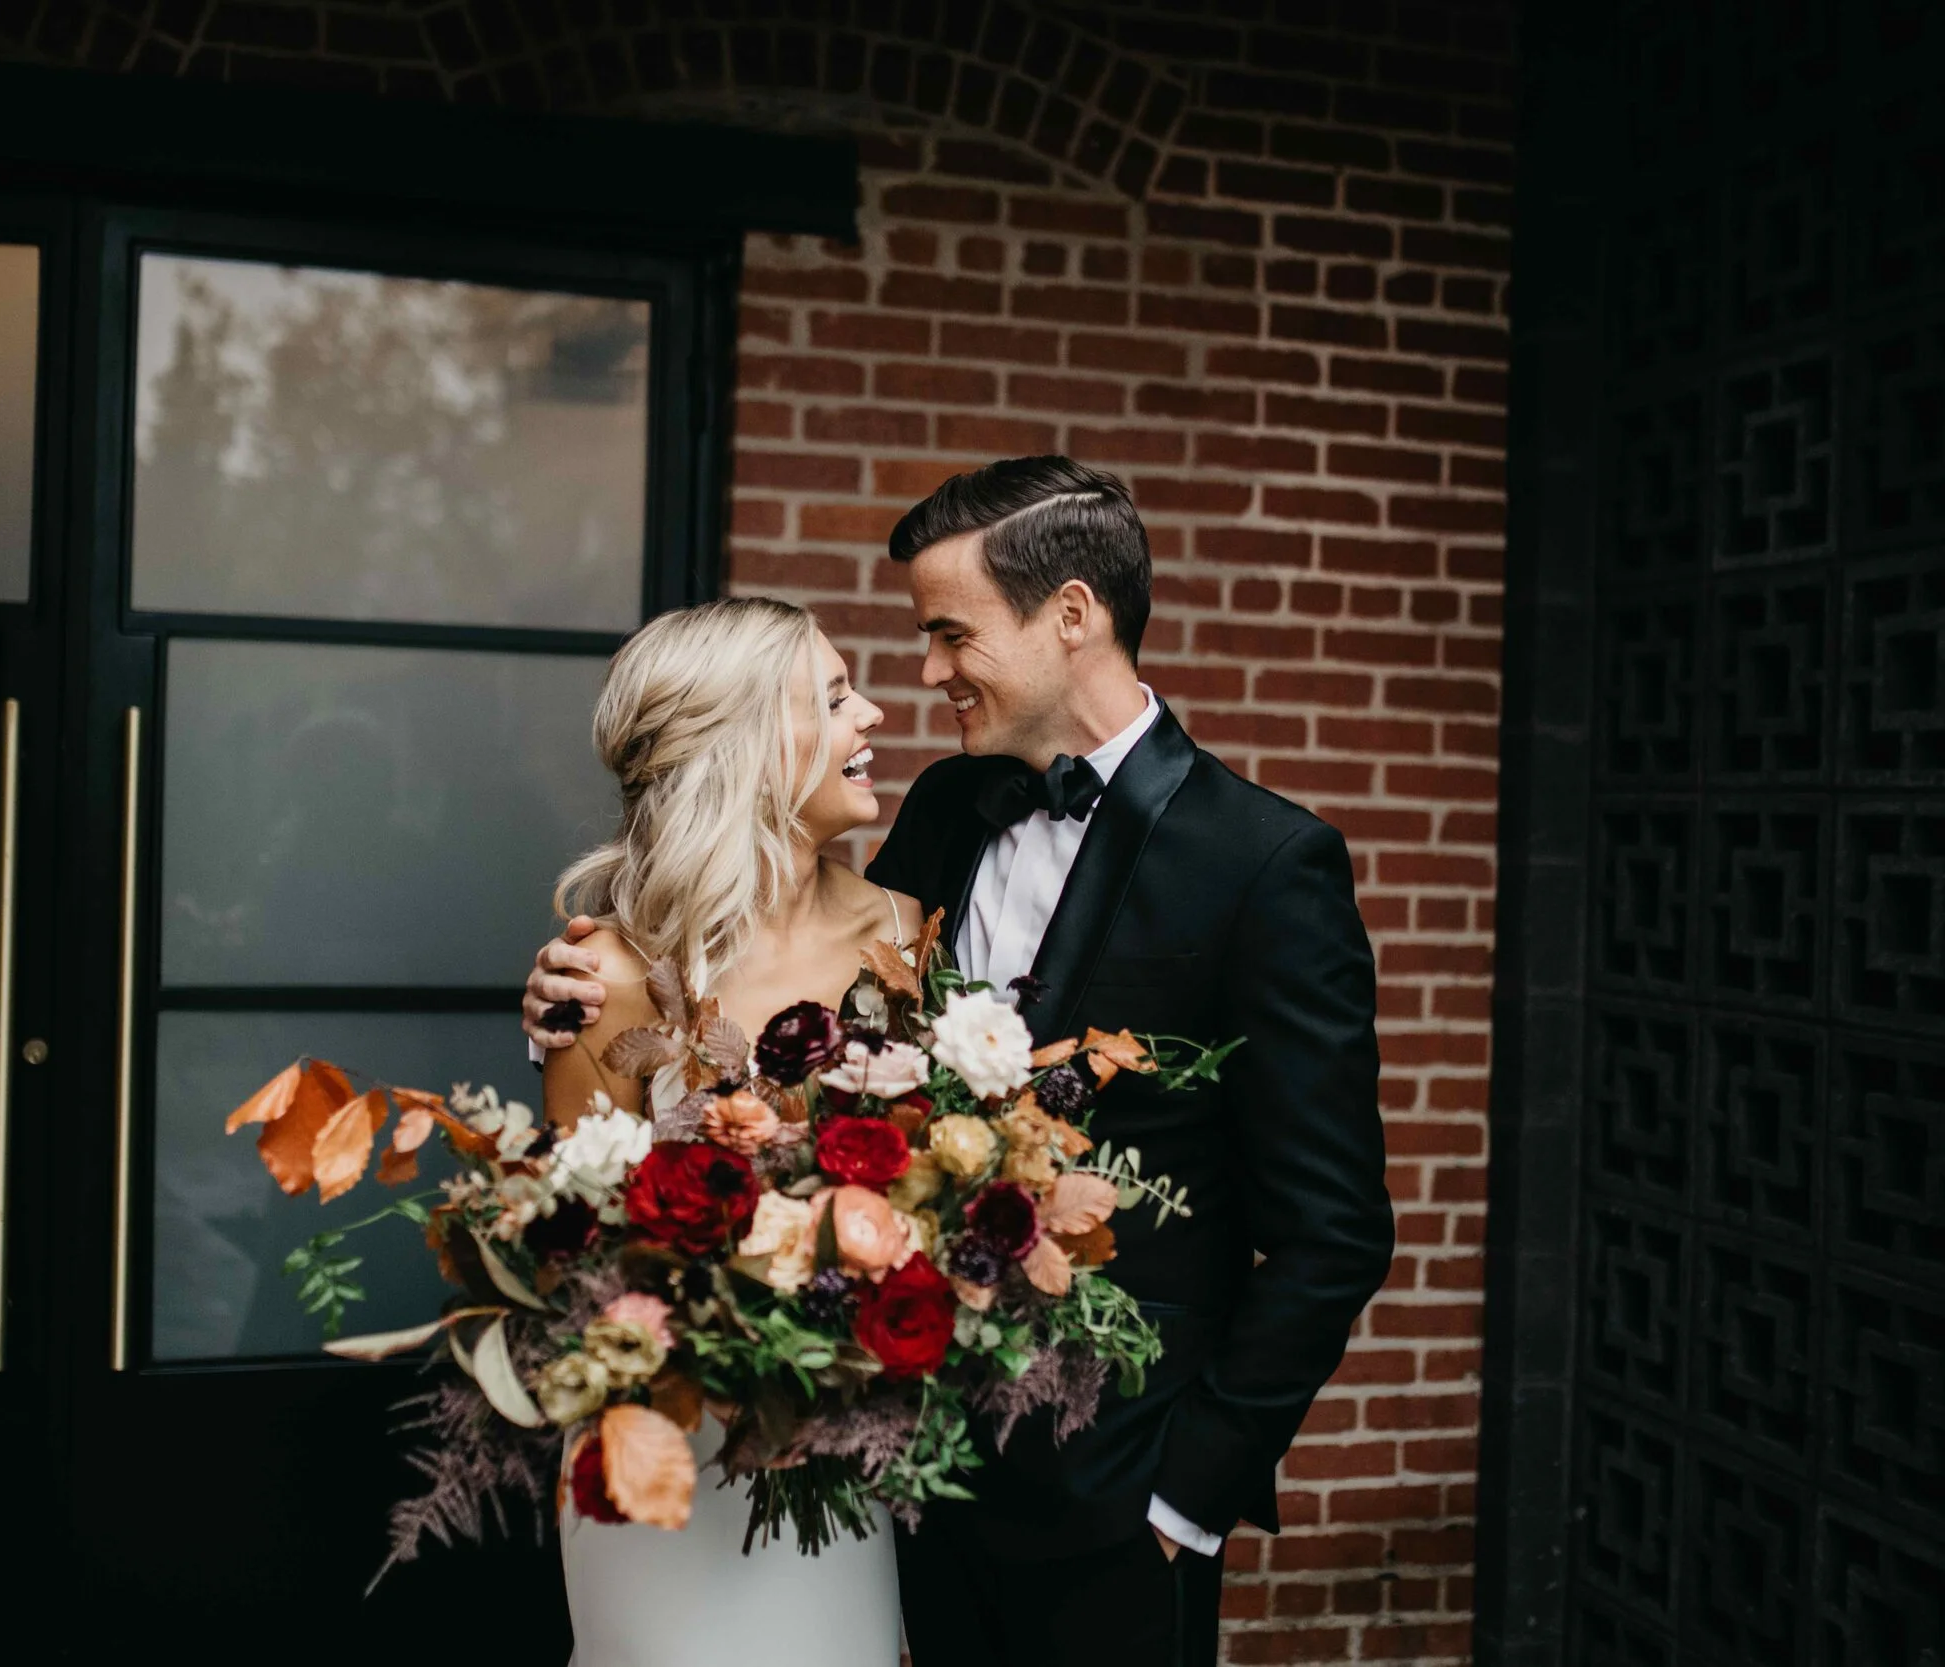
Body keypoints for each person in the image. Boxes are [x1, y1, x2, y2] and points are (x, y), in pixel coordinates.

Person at [527, 457, 1396, 1667]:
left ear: (1072, 615)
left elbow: (1335, 1232)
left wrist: (1182, 1501)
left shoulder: (1263, 863)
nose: (922, 672)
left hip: (1108, 1511)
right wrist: (584, 996)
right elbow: (772, 983)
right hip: (893, 1484)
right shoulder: (938, 811)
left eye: (948, 631)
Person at [538, 595, 913, 1667]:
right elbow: (573, 1254)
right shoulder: (601, 972)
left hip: (835, 1440)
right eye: (836, 697)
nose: (873, 713)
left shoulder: (899, 934)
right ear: (749, 743)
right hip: (664, 1450)